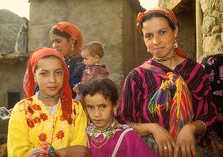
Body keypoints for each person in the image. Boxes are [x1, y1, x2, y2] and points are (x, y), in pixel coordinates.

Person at [116, 7, 217, 157]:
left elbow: (209, 116)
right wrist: (152, 128)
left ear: (175, 31)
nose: (155, 41)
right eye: (148, 36)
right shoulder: (137, 77)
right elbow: (123, 123)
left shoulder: (196, 72)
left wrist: (191, 128)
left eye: (162, 32)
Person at [7, 48, 89, 157]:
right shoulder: (22, 109)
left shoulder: (75, 109)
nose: (52, 80)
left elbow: (80, 150)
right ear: (34, 76)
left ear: (64, 75)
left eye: (58, 73)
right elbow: (16, 152)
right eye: (44, 73)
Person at [82, 78, 158, 157]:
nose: (96, 114)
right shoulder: (84, 134)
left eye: (103, 106)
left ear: (115, 105)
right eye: (90, 107)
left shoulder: (127, 137)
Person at [50, 22, 85, 98]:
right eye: (53, 42)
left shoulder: (84, 63)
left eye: (58, 41)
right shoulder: (55, 62)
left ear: (72, 40)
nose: (54, 46)